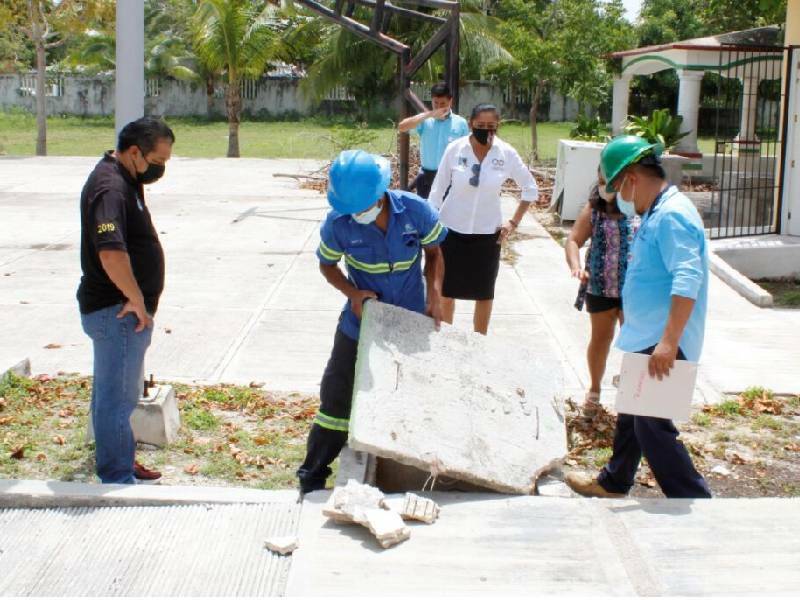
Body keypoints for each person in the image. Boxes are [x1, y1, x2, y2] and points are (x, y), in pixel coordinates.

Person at [565, 135, 712, 499]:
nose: (619, 196)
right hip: (645, 333)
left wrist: (668, 342)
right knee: (631, 411)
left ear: (631, 177)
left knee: (651, 423)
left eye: (618, 186)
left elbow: (687, 277)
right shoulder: (657, 211)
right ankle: (615, 481)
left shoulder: (672, 216)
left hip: (663, 338)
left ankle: (693, 496)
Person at [296, 149, 447, 494]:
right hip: (358, 326)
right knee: (336, 401)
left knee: (406, 397)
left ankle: (405, 475)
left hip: (409, 324)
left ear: (381, 192)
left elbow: (435, 254)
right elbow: (327, 266)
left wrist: (434, 296)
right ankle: (312, 475)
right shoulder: (338, 223)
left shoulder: (415, 210)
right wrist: (352, 293)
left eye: (363, 207)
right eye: (352, 209)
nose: (357, 215)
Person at [77, 117, 175, 484]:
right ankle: (117, 478)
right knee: (117, 401)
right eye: (157, 160)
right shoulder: (110, 188)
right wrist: (135, 297)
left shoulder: (127, 178)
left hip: (121, 311)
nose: (160, 169)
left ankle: (120, 457)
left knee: (116, 392)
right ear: (135, 152)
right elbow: (111, 253)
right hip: (115, 311)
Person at [427, 103, 540, 335]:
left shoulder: (506, 153)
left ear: (498, 126)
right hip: (451, 231)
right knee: (447, 293)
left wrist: (513, 222)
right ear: (470, 124)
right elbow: (437, 191)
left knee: (484, 294)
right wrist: (430, 225)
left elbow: (530, 189)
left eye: (491, 126)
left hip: (488, 235)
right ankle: (446, 342)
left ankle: (480, 344)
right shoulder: (455, 150)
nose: (486, 131)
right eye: (480, 126)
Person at [565, 167, 634, 407]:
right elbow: (574, 240)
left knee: (637, 342)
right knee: (601, 339)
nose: (607, 186)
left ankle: (634, 391)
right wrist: (576, 266)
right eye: (603, 180)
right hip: (600, 286)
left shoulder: (640, 208)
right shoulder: (594, 209)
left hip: (634, 290)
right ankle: (594, 390)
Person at [398, 82, 470, 199]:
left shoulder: (460, 123)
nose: (439, 107)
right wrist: (428, 114)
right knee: (426, 214)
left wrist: (463, 176)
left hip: (450, 176)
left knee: (448, 215)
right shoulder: (426, 121)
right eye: (435, 103)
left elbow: (466, 152)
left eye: (443, 104)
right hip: (426, 176)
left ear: (450, 101)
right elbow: (402, 127)